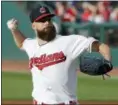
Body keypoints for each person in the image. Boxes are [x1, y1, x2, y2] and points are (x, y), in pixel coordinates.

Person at [7, 6, 112, 105]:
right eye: (42, 20)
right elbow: (22, 43)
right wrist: (14, 30)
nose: (47, 22)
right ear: (33, 26)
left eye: (49, 19)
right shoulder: (32, 45)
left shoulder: (69, 42)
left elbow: (101, 46)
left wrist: (108, 62)